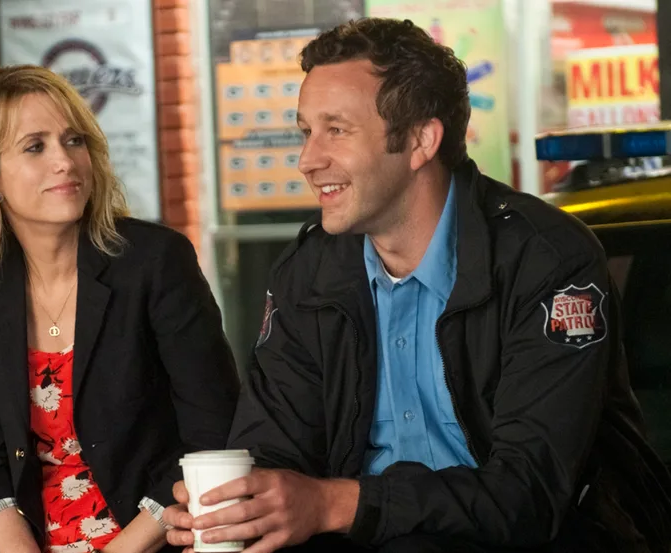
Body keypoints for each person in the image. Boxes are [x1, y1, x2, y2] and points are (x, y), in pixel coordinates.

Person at [163, 17, 671, 553]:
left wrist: (332, 503)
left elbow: (529, 495)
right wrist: (242, 509)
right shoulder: (307, 271)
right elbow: (274, 447)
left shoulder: (545, 259)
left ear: (420, 140)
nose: (308, 159)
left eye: (336, 130)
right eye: (305, 130)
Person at [0, 65, 240, 553]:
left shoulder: (155, 261)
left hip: (158, 537)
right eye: (35, 147)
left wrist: (123, 549)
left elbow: (212, 433)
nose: (65, 161)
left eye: (73, 141)